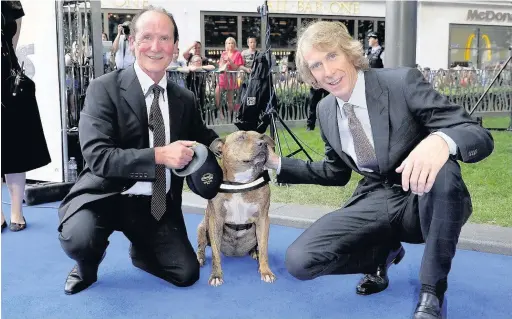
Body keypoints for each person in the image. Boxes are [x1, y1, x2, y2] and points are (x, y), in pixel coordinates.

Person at [264, 21, 494, 319]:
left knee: (443, 168)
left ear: (349, 53)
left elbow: (476, 134)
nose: (328, 71)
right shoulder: (325, 110)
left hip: (423, 197)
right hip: (376, 197)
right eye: (316, 65)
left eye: (332, 56)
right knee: (299, 261)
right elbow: (336, 172)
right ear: (311, 75)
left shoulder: (401, 83)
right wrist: (277, 164)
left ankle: (432, 292)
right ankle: (380, 257)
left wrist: (441, 141)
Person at [57, 6, 218, 295]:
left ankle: (143, 250)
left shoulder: (184, 98)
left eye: (164, 39)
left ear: (175, 46)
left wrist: (229, 145)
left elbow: (204, 137)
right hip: (105, 196)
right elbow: (98, 156)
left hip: (155, 204)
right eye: (146, 37)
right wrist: (159, 155)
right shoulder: (102, 89)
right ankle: (87, 262)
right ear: (132, 43)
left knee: (186, 274)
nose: (155, 47)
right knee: (79, 238)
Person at [1, 1, 51, 232]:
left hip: (11, 84)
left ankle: (16, 212)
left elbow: (12, 44)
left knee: (16, 148)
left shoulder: (11, 4)